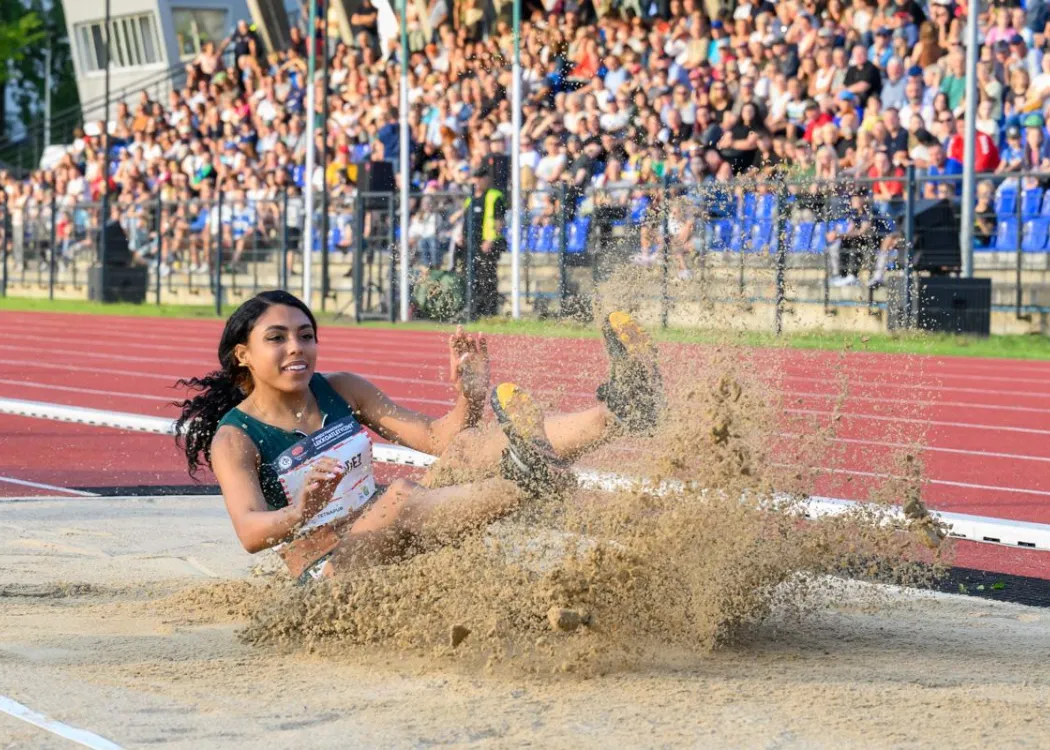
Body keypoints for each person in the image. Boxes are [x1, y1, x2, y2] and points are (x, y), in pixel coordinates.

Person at [174, 291, 664, 582]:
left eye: (306, 335)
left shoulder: (340, 389)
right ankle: (526, 479)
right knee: (401, 495)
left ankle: (621, 413)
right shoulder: (235, 438)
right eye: (276, 338)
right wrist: (301, 509)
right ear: (243, 354)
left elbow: (441, 439)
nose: (296, 348)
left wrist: (469, 396)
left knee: (469, 449)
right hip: (332, 577)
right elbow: (249, 533)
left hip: (396, 539)